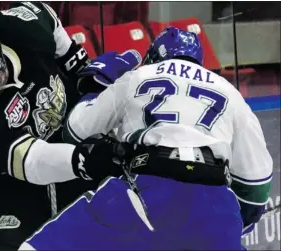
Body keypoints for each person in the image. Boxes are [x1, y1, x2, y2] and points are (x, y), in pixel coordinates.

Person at [19, 27, 273, 250]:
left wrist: (97, 86)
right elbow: (256, 188)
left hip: (148, 188)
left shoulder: (138, 76)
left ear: (153, 57)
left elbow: (75, 130)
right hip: (216, 206)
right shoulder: (230, 92)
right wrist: (229, 224)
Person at [0, 1, 141, 249]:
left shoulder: (20, 30)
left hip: (78, 163)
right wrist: (84, 159)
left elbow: (46, 15)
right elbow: (32, 160)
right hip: (21, 190)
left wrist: (74, 62)